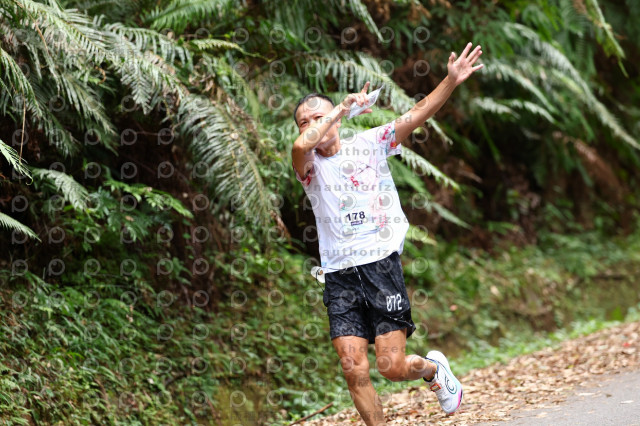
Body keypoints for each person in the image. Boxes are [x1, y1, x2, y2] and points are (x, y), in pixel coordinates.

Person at [291, 42, 483, 425]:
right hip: (339, 275)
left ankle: (433, 370)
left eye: (319, 117)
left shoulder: (371, 144)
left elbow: (417, 113)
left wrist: (450, 80)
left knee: (391, 368)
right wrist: (338, 110)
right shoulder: (307, 166)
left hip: (380, 266)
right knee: (353, 368)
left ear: (338, 121)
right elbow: (301, 144)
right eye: (304, 121)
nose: (311, 126)